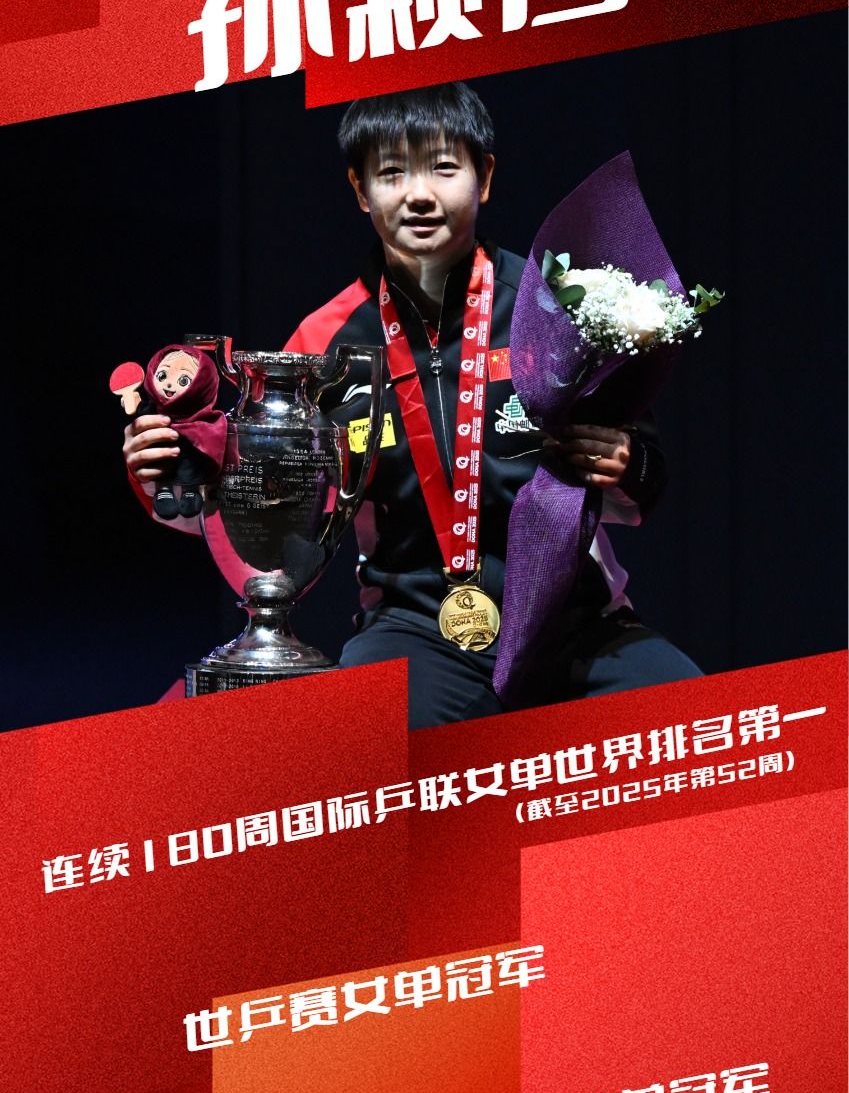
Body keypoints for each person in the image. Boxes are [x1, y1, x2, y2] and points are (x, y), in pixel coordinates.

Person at [124, 82, 700, 727]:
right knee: (372, 740)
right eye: (392, 172)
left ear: (484, 178)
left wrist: (625, 462)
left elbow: (640, 485)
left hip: (578, 623)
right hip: (417, 630)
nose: (419, 194)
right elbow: (274, 504)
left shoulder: (556, 305)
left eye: (444, 168)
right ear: (359, 189)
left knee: (699, 729)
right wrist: (178, 469)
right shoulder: (325, 342)